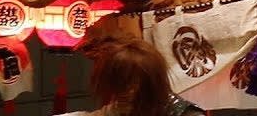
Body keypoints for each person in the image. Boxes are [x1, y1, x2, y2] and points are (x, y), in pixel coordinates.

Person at [75, 18, 207, 116]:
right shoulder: (119, 109)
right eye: (118, 83)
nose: (125, 91)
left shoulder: (186, 114)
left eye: (129, 82)